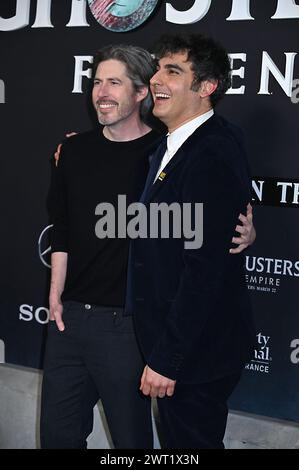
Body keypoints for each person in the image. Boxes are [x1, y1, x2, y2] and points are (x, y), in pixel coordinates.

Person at [41, 43, 255, 449]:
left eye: (115, 82)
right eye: (97, 81)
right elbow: (65, 226)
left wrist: (244, 227)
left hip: (145, 331)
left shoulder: (184, 147)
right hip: (85, 321)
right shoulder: (155, 149)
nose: (102, 91)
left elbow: (204, 260)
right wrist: (56, 294)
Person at [127, 34, 256, 449]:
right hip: (183, 345)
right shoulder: (176, 143)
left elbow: (204, 272)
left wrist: (169, 360)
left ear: (207, 88)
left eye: (173, 70)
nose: (156, 78)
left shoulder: (211, 151)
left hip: (195, 356)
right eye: (158, 67)